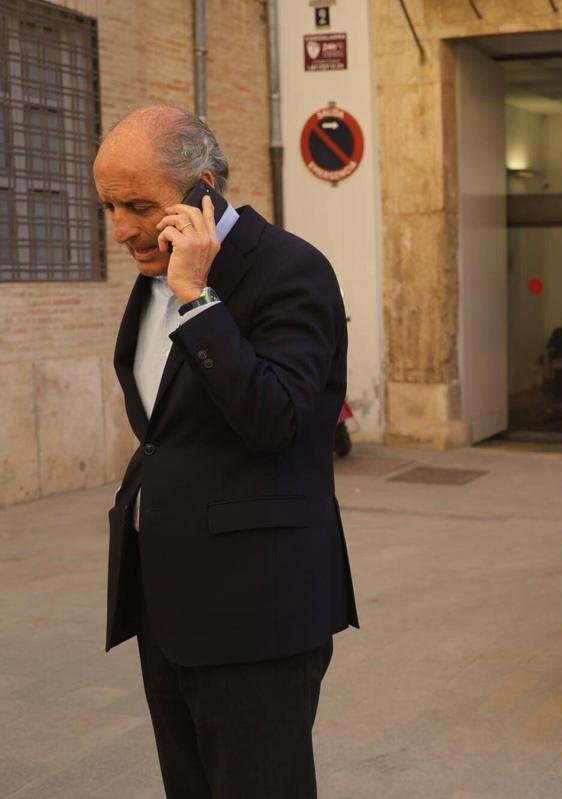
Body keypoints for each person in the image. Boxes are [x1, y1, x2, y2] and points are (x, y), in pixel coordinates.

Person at [95, 105, 358, 798]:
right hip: (168, 605)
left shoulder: (290, 271)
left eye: (137, 205)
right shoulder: (156, 274)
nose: (121, 228)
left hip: (256, 612)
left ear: (202, 190)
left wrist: (198, 300)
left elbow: (279, 419)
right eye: (109, 206)